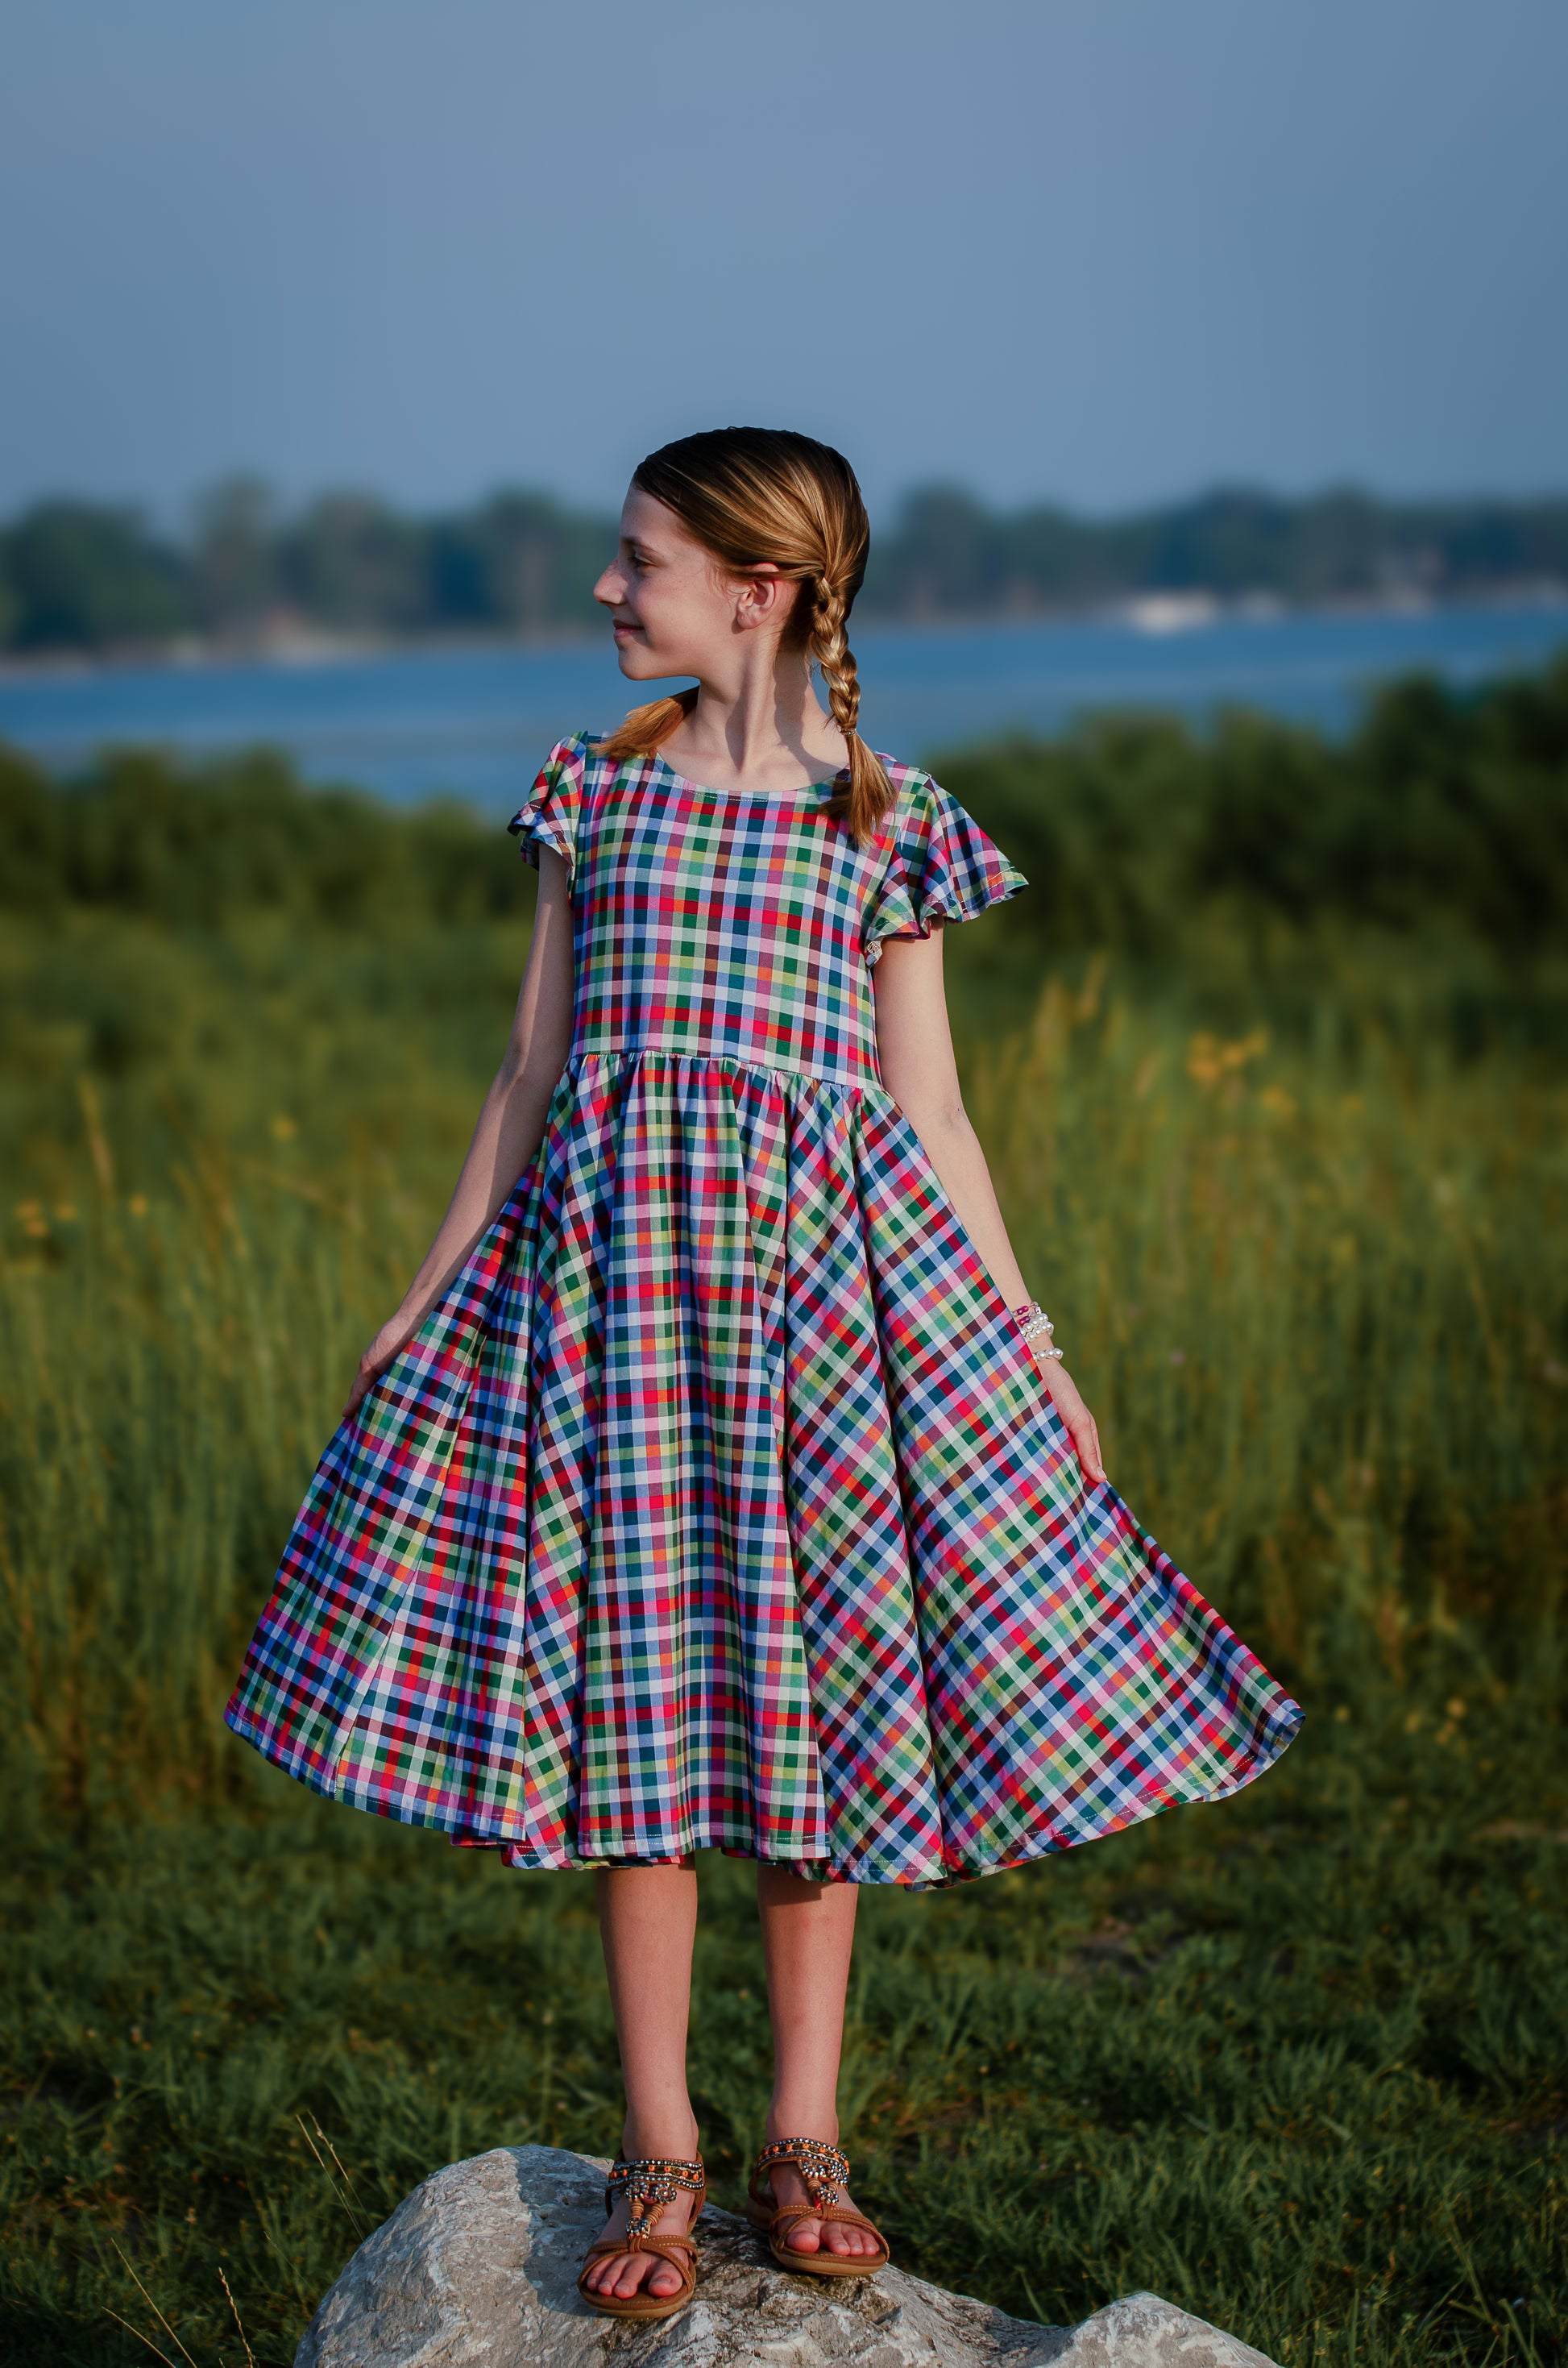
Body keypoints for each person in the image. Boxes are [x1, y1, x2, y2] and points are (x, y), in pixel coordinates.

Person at [227, 427, 1300, 2324]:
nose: (602, 589)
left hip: (829, 1329)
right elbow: (527, 1071)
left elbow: (935, 1109)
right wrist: (428, 1280)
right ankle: (662, 2147)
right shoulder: (593, 795)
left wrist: (1027, 1334)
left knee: (818, 1722)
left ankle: (803, 2133)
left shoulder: (882, 822)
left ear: (759, 585)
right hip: (618, 1327)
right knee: (633, 1724)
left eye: (634, 559)